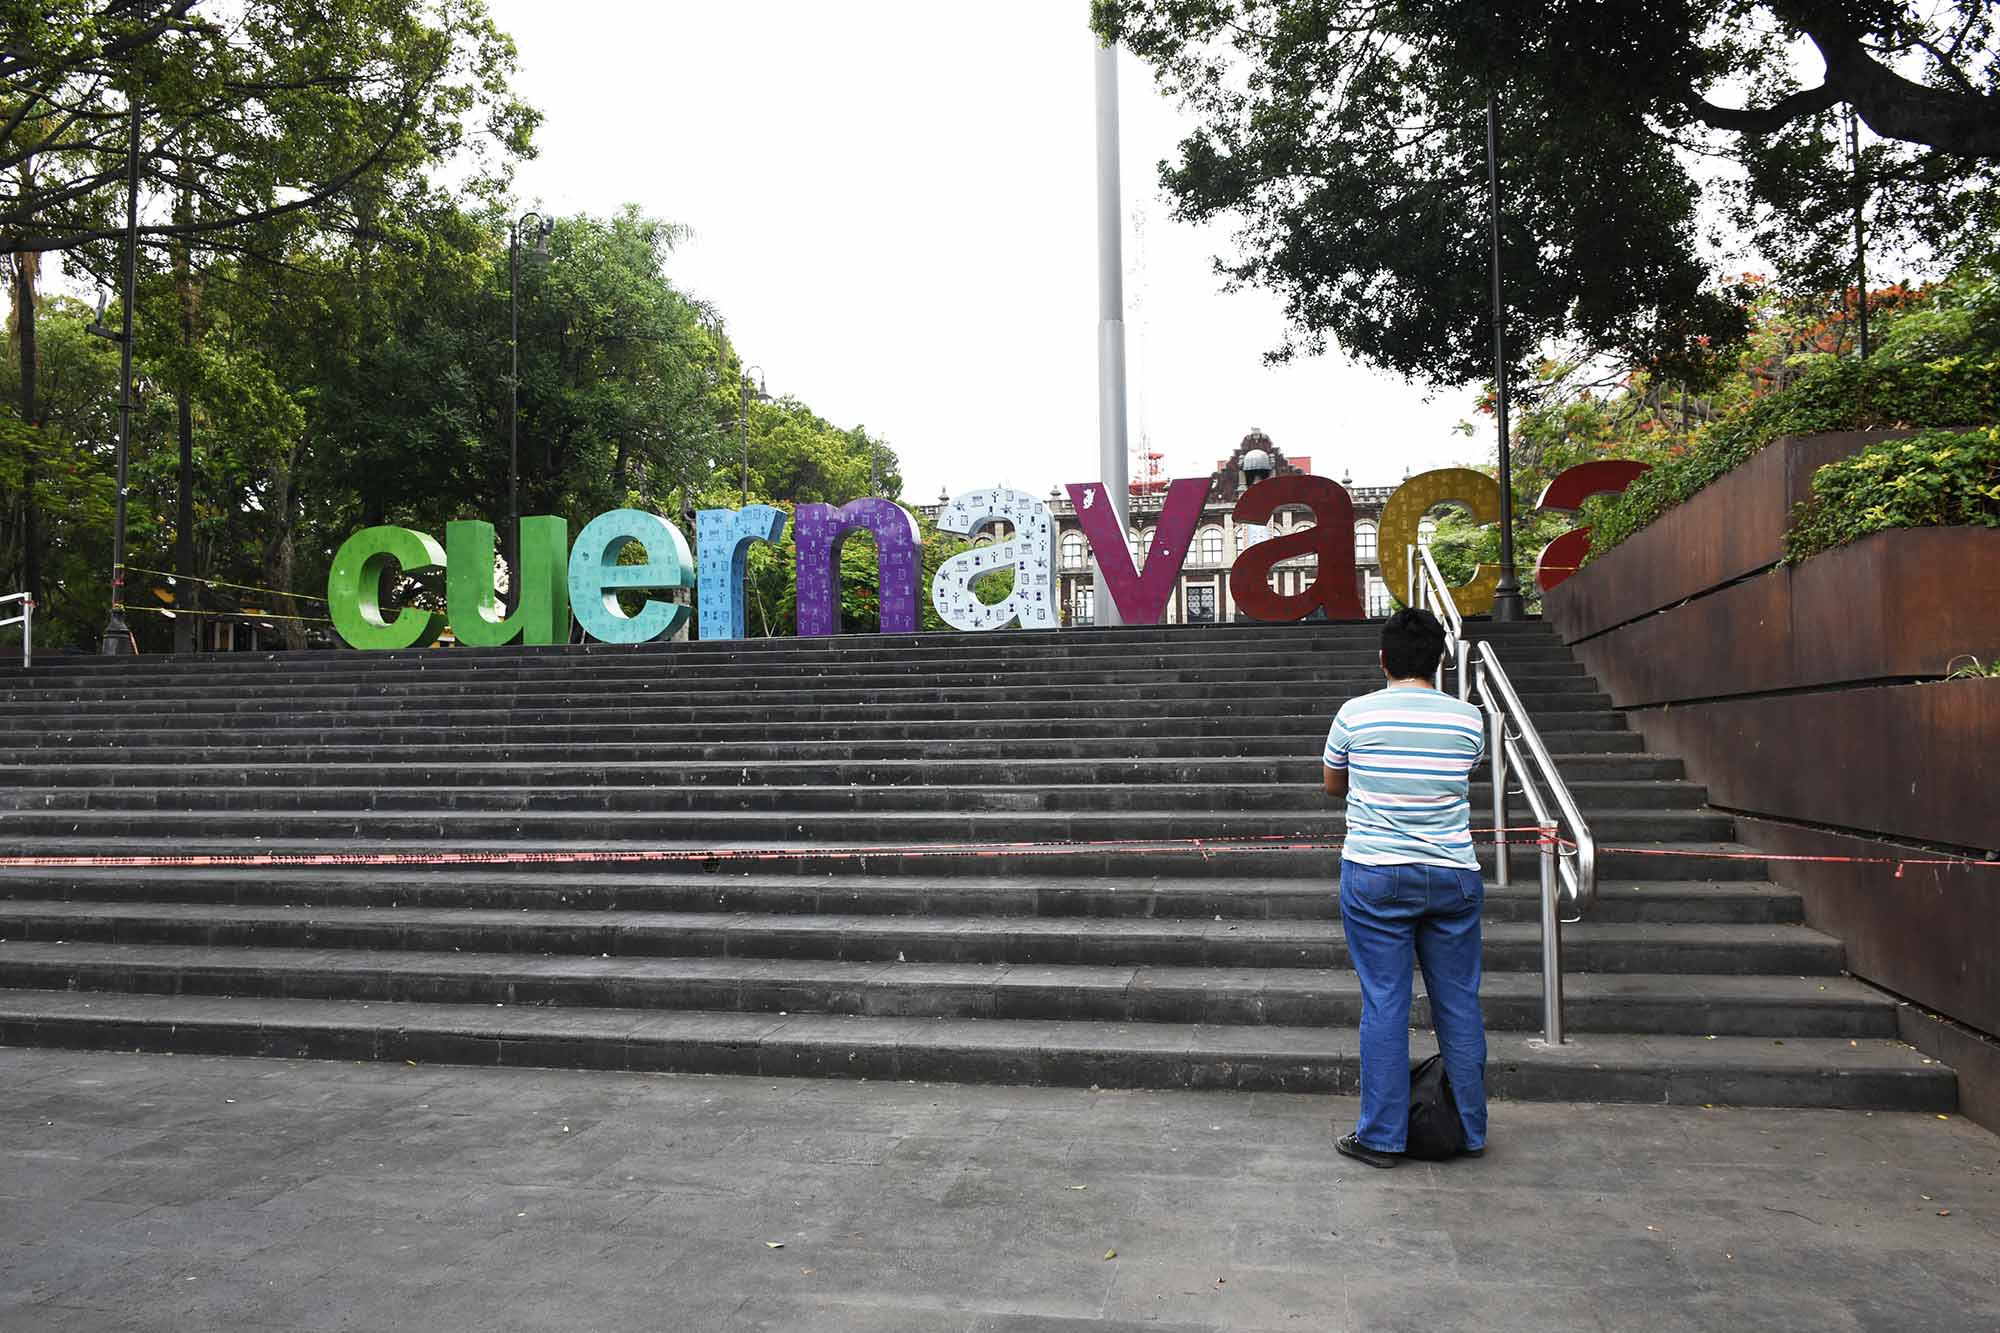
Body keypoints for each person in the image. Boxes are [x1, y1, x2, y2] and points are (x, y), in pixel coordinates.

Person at [1321, 607, 1488, 1167]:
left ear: (1383, 659)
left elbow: (1332, 783)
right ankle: (1467, 1130)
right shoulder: (1467, 720)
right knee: (1459, 1004)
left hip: (1376, 873)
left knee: (1386, 1003)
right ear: (1441, 661)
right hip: (1453, 874)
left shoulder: (1354, 715)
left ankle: (1382, 1137)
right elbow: (1464, 773)